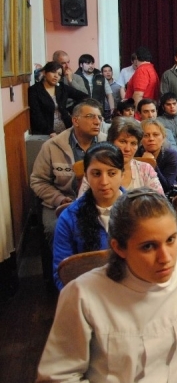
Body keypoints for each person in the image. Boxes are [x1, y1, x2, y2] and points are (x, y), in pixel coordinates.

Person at [37, 188, 177, 382]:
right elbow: (58, 376)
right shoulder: (83, 294)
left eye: (171, 240)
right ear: (119, 248)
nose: (166, 258)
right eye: (148, 247)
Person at [30, 99, 107, 244]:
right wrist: (59, 199)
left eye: (99, 117)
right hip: (63, 201)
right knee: (56, 229)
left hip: (100, 201)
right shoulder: (52, 146)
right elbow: (38, 181)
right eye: (91, 116)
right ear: (75, 120)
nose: (97, 122)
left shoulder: (107, 144)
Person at [52, 143, 125, 290]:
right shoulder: (69, 218)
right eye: (96, 174)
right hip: (90, 293)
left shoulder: (139, 211)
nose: (104, 182)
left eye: (112, 173)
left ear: (122, 174)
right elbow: (62, 274)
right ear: (86, 176)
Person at [78, 117, 163, 196]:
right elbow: (81, 204)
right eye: (122, 142)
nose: (128, 149)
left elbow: (161, 202)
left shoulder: (145, 170)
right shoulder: (95, 170)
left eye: (133, 143)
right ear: (111, 142)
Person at [28, 61, 87, 136]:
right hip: (46, 133)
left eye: (59, 74)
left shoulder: (62, 88)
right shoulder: (34, 90)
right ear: (45, 73)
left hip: (66, 129)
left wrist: (70, 109)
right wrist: (50, 131)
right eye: (53, 72)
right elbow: (36, 114)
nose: (56, 76)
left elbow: (84, 97)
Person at [137, 119, 177, 193]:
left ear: (163, 137)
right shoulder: (135, 153)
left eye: (155, 135)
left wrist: (152, 163)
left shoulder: (172, 155)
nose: (151, 139)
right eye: (146, 135)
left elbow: (166, 188)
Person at [75, 54, 115, 123]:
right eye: (88, 63)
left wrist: (112, 109)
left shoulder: (100, 77)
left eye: (92, 63)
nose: (91, 66)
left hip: (98, 110)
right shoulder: (76, 77)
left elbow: (109, 94)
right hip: (82, 111)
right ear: (81, 65)